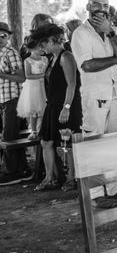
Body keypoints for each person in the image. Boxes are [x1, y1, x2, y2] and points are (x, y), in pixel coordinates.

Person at [71, 0, 117, 198]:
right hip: (95, 93)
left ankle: (115, 188)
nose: (101, 8)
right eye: (96, 4)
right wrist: (115, 59)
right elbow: (87, 65)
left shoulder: (115, 31)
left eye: (105, 5)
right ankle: (94, 193)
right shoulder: (80, 33)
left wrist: (109, 32)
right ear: (88, 6)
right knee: (93, 141)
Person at [31, 24, 82, 191]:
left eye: (43, 44)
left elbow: (72, 84)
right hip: (53, 106)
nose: (42, 47)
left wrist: (66, 107)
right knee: (46, 142)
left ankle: (71, 178)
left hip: (66, 105)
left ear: (53, 41)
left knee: (67, 144)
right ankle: (49, 177)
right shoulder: (52, 57)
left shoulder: (66, 56)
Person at [0, 22, 31, 186]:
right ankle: (22, 169)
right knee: (14, 135)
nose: (0, 38)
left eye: (3, 35)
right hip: (5, 99)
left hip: (13, 99)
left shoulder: (10, 53)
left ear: (8, 37)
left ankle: (13, 172)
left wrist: (2, 75)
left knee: (9, 137)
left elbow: (22, 78)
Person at [17, 37, 47, 139]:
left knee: (44, 110)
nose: (43, 49)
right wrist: (42, 76)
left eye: (43, 47)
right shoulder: (28, 60)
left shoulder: (45, 59)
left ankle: (42, 129)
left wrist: (44, 77)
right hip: (32, 87)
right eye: (40, 48)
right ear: (32, 48)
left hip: (43, 86)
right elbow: (28, 75)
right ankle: (33, 131)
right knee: (34, 111)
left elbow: (47, 72)